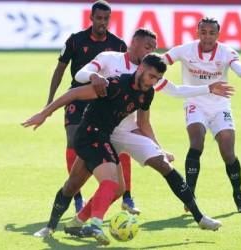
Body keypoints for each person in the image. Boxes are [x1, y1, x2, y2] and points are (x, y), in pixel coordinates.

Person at [22, 54, 222, 245]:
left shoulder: (147, 93)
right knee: (94, 183)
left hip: (106, 137)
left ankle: (76, 222)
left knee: (116, 187)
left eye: (158, 78)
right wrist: (44, 113)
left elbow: (144, 123)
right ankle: (79, 226)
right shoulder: (115, 85)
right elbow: (74, 93)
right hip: (90, 135)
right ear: (141, 69)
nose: (153, 81)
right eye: (151, 76)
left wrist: (159, 148)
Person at [44, 0, 136, 213]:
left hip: (105, 102)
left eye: (106, 19)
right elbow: (60, 69)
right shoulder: (75, 41)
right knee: (73, 142)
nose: (102, 22)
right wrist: (51, 99)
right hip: (76, 97)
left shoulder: (118, 44)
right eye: (99, 18)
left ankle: (127, 196)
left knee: (120, 143)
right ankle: (77, 196)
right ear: (91, 18)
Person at [162, 17, 241, 213]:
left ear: (218, 34)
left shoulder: (226, 51)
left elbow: (236, 65)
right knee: (196, 141)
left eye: (212, 33)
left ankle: (238, 195)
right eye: (203, 32)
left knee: (228, 152)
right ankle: (189, 196)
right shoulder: (185, 49)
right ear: (197, 33)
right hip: (194, 103)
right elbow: (161, 60)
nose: (207, 37)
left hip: (219, 106)